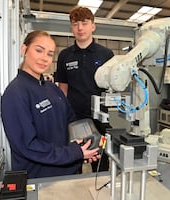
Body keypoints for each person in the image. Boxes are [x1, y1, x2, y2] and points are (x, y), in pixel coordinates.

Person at [1, 30, 100, 179]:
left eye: (49, 54)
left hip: (67, 172)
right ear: (24, 50)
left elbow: (70, 123)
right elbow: (27, 145)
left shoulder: (51, 88)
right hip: (40, 179)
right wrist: (73, 153)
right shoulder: (15, 92)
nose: (44, 58)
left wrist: (83, 149)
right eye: (39, 50)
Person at [55, 6, 114, 172]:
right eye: (75, 24)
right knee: (75, 158)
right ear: (71, 27)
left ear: (93, 26)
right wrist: (63, 116)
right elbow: (63, 89)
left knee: (101, 159)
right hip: (75, 119)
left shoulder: (106, 54)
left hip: (101, 119)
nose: (80, 28)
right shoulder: (64, 56)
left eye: (84, 23)